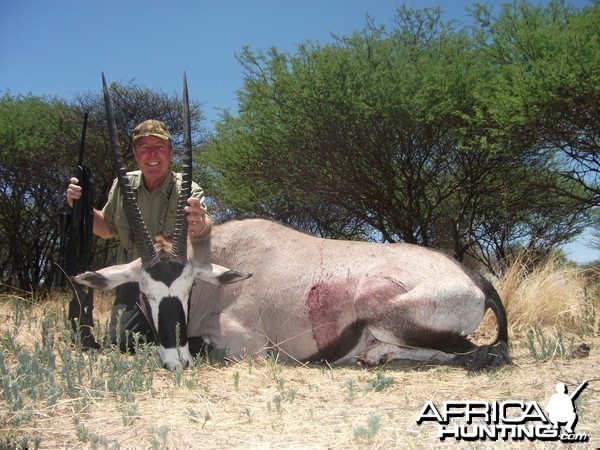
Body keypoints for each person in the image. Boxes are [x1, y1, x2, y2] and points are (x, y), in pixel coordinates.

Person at [66, 119, 211, 351]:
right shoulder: (122, 186)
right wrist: (81, 207)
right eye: (145, 147)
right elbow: (105, 229)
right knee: (124, 343)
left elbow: (204, 230)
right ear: (135, 154)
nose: (152, 153)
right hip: (136, 282)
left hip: (177, 282)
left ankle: (199, 342)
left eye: (159, 146)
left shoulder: (188, 188)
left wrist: (200, 221)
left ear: (171, 152)